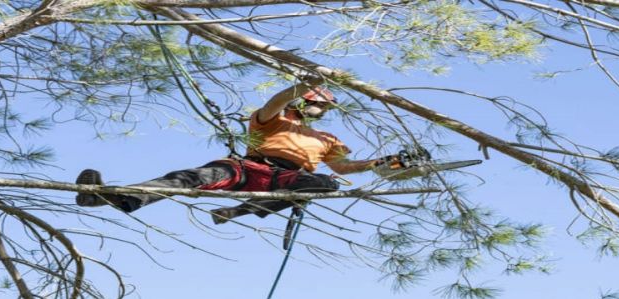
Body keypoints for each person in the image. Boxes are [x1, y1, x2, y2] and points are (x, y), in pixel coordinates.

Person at [75, 82, 387, 225]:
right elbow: (276, 102)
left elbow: (343, 168)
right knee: (189, 178)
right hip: (247, 167)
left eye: (325, 105)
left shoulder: (327, 137)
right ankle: (118, 197)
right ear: (303, 101)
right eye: (319, 102)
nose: (323, 109)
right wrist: (307, 82)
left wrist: (380, 163)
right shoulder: (275, 118)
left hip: (287, 178)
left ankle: (236, 212)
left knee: (324, 185)